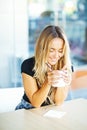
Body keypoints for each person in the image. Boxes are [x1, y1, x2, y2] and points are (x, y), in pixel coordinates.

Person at [15, 25, 72, 110]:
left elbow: (59, 102)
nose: (56, 56)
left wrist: (61, 82)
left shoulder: (66, 66)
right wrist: (48, 81)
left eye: (60, 51)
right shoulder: (28, 65)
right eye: (51, 50)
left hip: (49, 110)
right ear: (42, 48)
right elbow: (36, 103)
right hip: (28, 109)